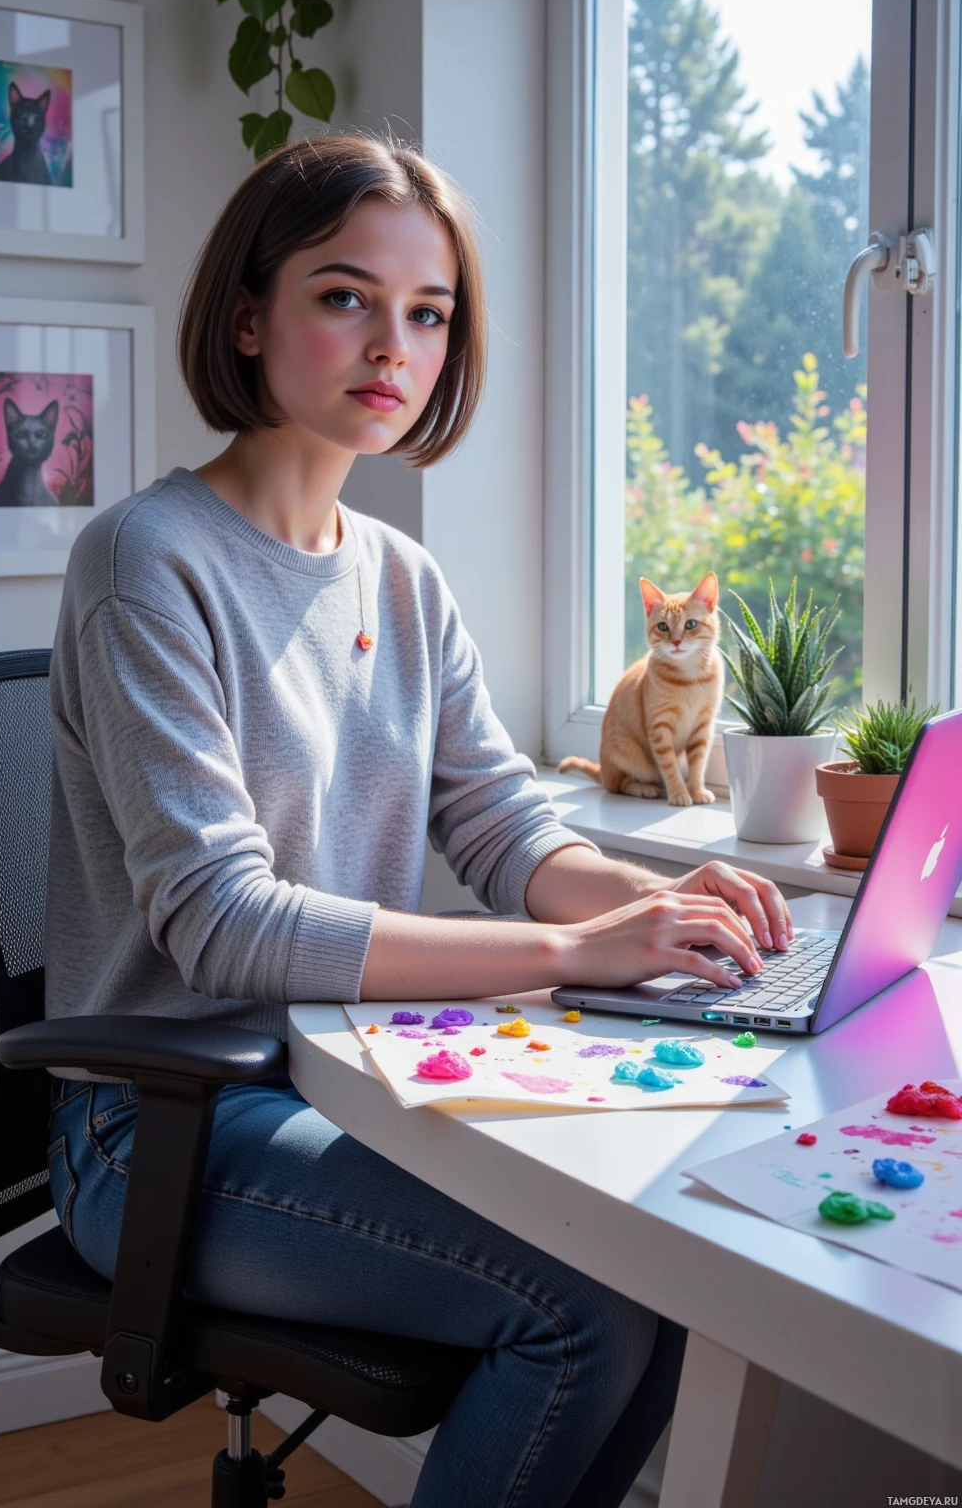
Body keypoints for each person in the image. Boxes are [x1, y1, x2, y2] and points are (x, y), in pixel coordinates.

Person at [44, 130, 792, 1508]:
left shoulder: (402, 575)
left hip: (352, 1083)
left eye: (428, 313)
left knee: (676, 1277)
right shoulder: (147, 563)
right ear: (249, 314)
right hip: (164, 1125)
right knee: (583, 1309)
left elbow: (504, 826)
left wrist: (644, 912)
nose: (394, 342)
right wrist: (577, 956)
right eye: (346, 295)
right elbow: (220, 921)